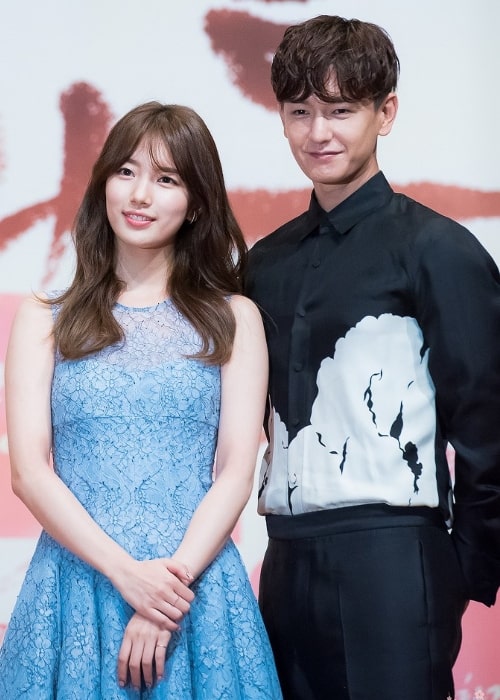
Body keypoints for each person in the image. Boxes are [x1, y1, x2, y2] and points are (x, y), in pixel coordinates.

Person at [245, 14, 500, 700]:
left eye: (340, 110)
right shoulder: (263, 264)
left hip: (391, 552)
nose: (318, 132)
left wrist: (462, 568)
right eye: (299, 112)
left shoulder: (437, 250)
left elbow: (486, 422)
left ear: (385, 112)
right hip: (286, 556)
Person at [0, 101, 282, 699]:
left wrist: (163, 598)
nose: (140, 195)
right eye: (125, 172)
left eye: (167, 179)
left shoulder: (235, 318)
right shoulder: (43, 319)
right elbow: (28, 471)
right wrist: (127, 575)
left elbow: (236, 469)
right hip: (76, 585)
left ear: (197, 202)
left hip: (193, 592)